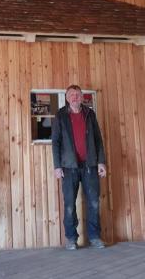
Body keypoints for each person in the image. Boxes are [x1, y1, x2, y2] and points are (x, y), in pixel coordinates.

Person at [51, 85, 107, 250]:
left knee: (94, 202)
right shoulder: (60, 115)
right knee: (69, 204)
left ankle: (95, 237)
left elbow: (98, 139)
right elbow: (56, 142)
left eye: (77, 94)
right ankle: (71, 239)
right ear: (67, 98)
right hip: (69, 167)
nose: (74, 97)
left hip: (90, 165)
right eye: (71, 94)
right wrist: (57, 166)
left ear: (82, 97)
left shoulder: (90, 114)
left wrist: (101, 162)